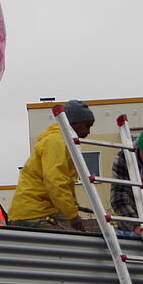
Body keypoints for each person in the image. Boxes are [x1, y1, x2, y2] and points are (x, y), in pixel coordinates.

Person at [8, 99, 94, 231]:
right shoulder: (57, 141)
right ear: (74, 123)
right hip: (37, 213)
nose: (88, 132)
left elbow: (61, 182)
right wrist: (72, 215)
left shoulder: (60, 141)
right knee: (77, 245)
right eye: (87, 126)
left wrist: (72, 207)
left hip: (32, 210)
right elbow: (55, 180)